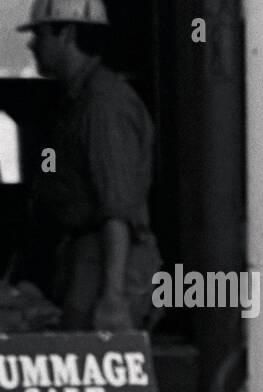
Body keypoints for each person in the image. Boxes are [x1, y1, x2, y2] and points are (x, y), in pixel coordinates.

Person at [18, 0, 160, 332]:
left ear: (66, 33)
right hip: (87, 259)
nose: (32, 44)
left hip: (107, 265)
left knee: (99, 370)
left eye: (39, 34)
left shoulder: (103, 105)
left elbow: (117, 210)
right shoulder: (78, 100)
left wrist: (113, 298)